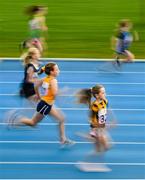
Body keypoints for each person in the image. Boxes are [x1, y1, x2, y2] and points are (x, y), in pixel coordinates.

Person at [11, 62, 73, 145]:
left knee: (61, 119)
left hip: (46, 104)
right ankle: (15, 119)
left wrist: (39, 96)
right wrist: (63, 92)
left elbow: (36, 86)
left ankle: (63, 140)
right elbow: (54, 93)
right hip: (45, 105)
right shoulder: (53, 80)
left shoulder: (45, 79)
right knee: (33, 123)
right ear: (51, 72)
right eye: (57, 69)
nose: (59, 71)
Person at [75, 85, 115, 172]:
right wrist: (105, 127)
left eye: (105, 92)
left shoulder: (104, 101)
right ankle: (88, 137)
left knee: (100, 149)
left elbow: (107, 110)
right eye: (103, 92)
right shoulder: (96, 106)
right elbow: (95, 120)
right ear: (97, 95)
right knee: (106, 147)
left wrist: (111, 119)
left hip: (100, 128)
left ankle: (91, 163)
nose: (105, 94)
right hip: (97, 129)